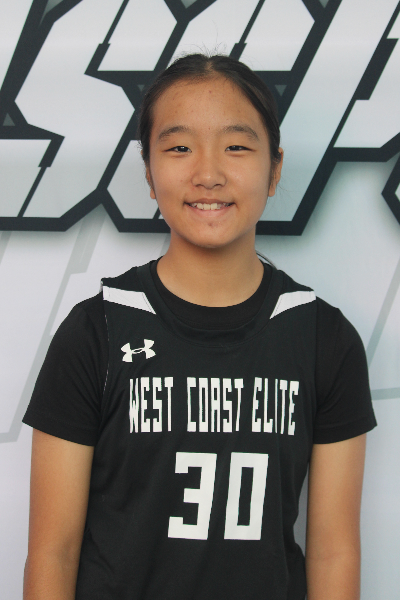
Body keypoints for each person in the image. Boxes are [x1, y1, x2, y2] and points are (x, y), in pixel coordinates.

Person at [22, 53, 376, 600]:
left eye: (236, 147)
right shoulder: (97, 331)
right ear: (148, 170)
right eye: (179, 148)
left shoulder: (322, 339)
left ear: (275, 167)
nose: (208, 174)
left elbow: (334, 552)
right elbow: (53, 552)